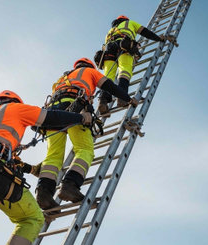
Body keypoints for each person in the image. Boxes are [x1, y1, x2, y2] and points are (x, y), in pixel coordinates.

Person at [0, 90, 92, 245]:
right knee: (31, 219)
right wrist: (81, 117)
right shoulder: (15, 108)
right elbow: (52, 117)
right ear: (14, 101)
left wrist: (32, 169)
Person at [35, 58, 138, 210]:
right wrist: (127, 98)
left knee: (53, 156)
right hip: (75, 108)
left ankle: (43, 194)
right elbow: (109, 85)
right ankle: (70, 185)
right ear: (89, 66)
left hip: (52, 113)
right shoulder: (90, 71)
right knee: (84, 149)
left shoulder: (62, 78)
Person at [97, 15, 178, 114]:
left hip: (108, 52)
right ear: (125, 19)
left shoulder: (110, 31)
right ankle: (122, 99)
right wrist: (158, 38)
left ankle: (102, 102)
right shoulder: (130, 23)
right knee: (125, 71)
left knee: (108, 77)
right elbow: (145, 32)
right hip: (123, 47)